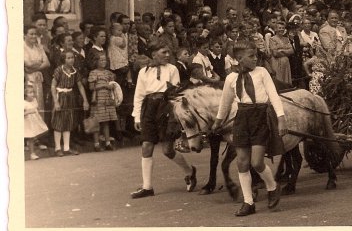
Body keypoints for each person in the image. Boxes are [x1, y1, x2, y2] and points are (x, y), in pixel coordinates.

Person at [211, 41, 286, 216]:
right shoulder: (231, 78)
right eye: (251, 56)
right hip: (242, 118)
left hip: (260, 116)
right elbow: (225, 102)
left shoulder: (262, 72)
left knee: (257, 162)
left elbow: (274, 96)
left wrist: (281, 118)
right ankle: (248, 202)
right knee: (242, 162)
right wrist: (218, 121)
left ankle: (272, 187)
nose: (255, 59)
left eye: (256, 55)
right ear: (239, 58)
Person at [130, 42, 197, 199]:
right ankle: (147, 187)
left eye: (168, 52)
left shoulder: (172, 69)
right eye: (164, 52)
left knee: (167, 150)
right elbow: (139, 94)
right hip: (149, 108)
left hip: (165, 108)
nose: (168, 55)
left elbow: (174, 92)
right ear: (154, 54)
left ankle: (189, 171)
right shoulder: (143, 72)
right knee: (146, 145)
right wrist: (136, 116)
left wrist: (176, 115)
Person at [51, 51, 89, 156]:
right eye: (68, 58)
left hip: (70, 97)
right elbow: (53, 85)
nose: (71, 59)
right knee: (58, 122)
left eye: (72, 57)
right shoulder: (59, 70)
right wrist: (56, 102)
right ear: (64, 59)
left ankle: (67, 148)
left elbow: (80, 86)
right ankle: (58, 148)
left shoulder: (75, 71)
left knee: (68, 122)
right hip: (60, 97)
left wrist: (85, 100)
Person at [88, 54, 118, 151]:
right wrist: (104, 86)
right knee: (96, 121)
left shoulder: (109, 73)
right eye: (101, 60)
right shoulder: (93, 73)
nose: (103, 62)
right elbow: (91, 87)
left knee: (106, 121)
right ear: (96, 61)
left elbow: (113, 85)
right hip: (98, 99)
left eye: (104, 60)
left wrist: (112, 86)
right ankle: (96, 144)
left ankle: (107, 143)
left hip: (107, 98)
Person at [24, 25, 50, 126]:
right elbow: (27, 64)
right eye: (31, 34)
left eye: (35, 34)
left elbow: (47, 63)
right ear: (25, 35)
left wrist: (34, 67)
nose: (34, 36)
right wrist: (39, 63)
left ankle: (37, 135)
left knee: (38, 104)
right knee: (29, 105)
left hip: (38, 79)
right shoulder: (22, 47)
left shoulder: (38, 47)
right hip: (28, 80)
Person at [25, 84, 49, 160]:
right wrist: (28, 112)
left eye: (33, 92)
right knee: (31, 137)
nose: (32, 94)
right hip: (27, 123)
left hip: (35, 121)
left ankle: (35, 143)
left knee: (38, 132)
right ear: (25, 94)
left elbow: (36, 109)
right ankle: (32, 153)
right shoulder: (23, 103)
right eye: (30, 92)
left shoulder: (34, 100)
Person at [268, 20, 293, 85]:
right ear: (275, 29)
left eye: (283, 28)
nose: (281, 29)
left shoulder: (286, 39)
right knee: (279, 82)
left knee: (286, 82)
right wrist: (286, 50)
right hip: (277, 62)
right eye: (279, 28)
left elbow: (292, 51)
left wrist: (281, 50)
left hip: (286, 63)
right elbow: (275, 53)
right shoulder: (272, 39)